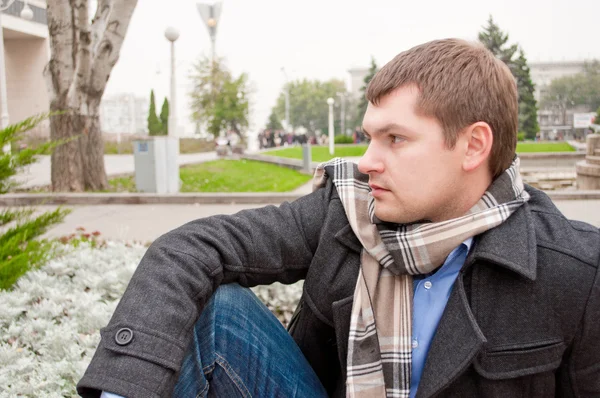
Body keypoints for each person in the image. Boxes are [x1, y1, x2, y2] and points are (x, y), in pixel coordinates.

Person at [78, 39, 600, 398]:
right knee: (222, 310)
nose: (367, 161)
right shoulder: (346, 211)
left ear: (473, 145)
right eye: (369, 136)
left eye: (395, 139)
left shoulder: (576, 271)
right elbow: (190, 249)